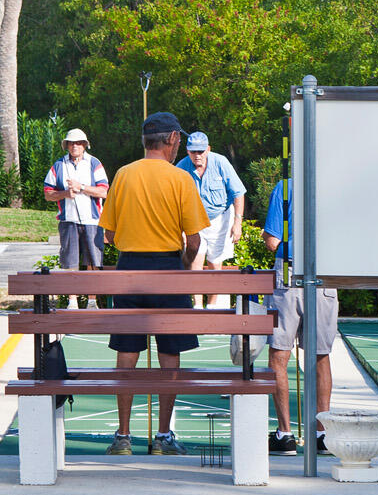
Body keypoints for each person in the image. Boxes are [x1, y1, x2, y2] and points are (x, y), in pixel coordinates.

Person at [95, 111, 210, 455]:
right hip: (167, 268)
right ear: (172, 139)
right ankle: (163, 436)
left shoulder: (124, 174)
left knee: (127, 353)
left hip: (130, 269)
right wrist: (186, 268)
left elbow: (110, 234)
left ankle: (124, 436)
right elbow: (193, 241)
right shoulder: (180, 179)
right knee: (170, 353)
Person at [261, 176, 337, 455]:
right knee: (320, 354)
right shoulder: (335, 187)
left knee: (279, 354)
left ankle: (285, 434)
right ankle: (321, 434)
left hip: (290, 272)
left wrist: (279, 240)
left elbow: (272, 240)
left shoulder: (286, 186)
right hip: (326, 270)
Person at [177, 131, 246, 306]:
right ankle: (197, 307)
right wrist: (180, 229)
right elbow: (173, 201)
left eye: (201, 151)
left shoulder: (221, 162)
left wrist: (237, 223)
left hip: (221, 218)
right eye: (193, 151)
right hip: (194, 221)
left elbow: (238, 192)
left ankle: (212, 306)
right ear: (187, 151)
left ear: (208, 149)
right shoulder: (181, 167)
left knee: (215, 265)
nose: (197, 155)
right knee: (194, 263)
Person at [42, 128, 108, 307]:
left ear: (85, 145)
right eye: (71, 143)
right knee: (70, 262)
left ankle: (92, 301)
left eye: (79, 143)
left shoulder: (94, 163)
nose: (75, 146)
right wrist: (65, 193)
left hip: (92, 220)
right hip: (68, 220)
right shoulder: (58, 165)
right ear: (67, 145)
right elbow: (48, 193)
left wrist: (82, 187)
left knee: (93, 262)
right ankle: (73, 301)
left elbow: (104, 191)